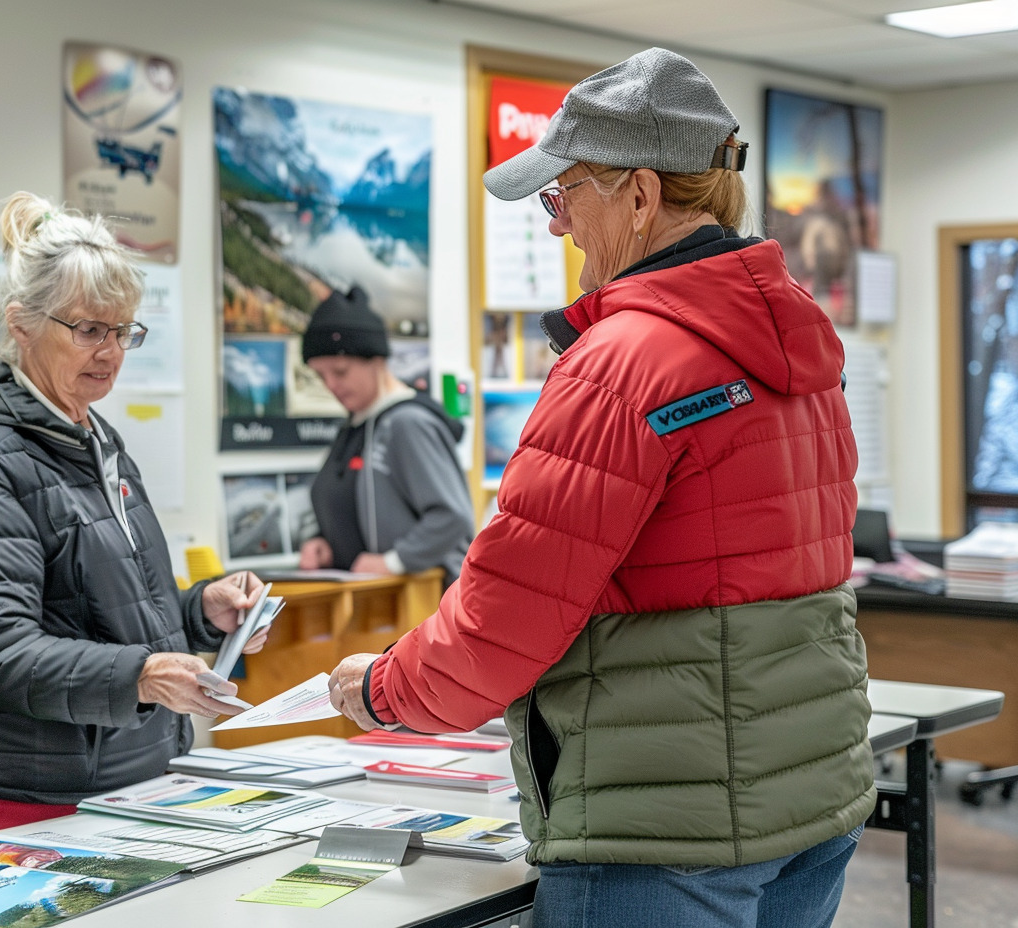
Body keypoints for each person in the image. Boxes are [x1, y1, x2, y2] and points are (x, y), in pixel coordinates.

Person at [328, 48, 873, 928]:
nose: (556, 226)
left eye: (564, 194)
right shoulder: (798, 347)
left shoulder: (622, 364)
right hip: (810, 804)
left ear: (641, 195)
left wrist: (385, 689)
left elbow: (506, 618)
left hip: (666, 833)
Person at [0, 191, 268, 849]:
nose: (111, 351)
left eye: (123, 330)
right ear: (20, 323)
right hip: (7, 808)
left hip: (115, 793)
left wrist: (198, 616)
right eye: (89, 330)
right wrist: (142, 676)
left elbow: (107, 619)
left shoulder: (96, 441)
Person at [298, 285, 475, 584]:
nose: (331, 385)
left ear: (377, 361)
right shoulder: (355, 425)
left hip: (424, 606)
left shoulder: (407, 423)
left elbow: (452, 516)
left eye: (340, 372)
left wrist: (395, 561)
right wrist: (323, 542)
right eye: (320, 375)